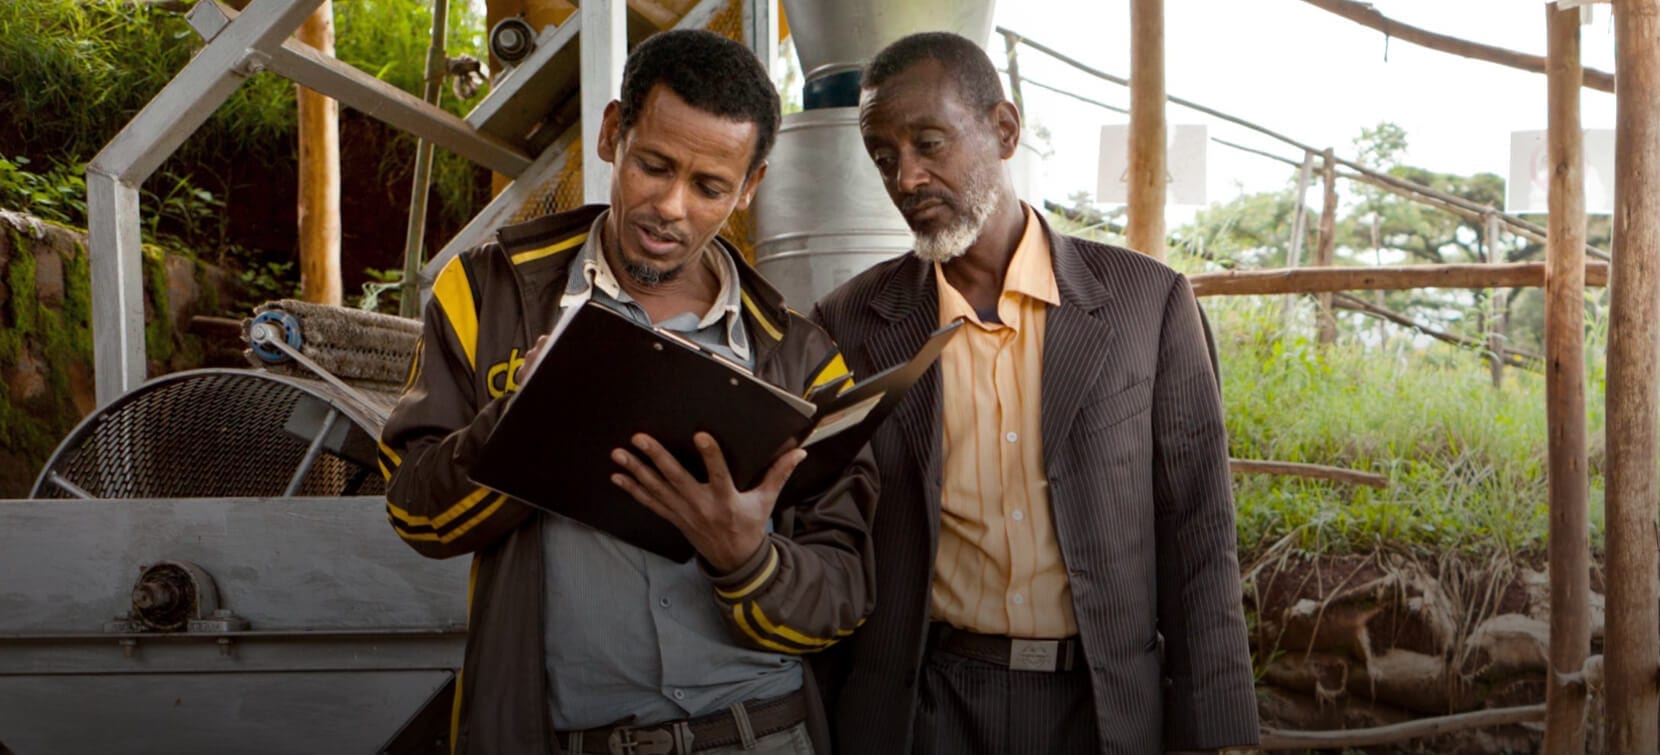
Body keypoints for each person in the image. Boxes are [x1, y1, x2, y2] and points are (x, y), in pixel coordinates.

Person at [380, 29, 876, 755]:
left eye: (710, 187)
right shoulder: (489, 294)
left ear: (750, 186)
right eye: (654, 165)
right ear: (613, 133)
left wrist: (748, 559)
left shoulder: (802, 355)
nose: (671, 207)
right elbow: (417, 517)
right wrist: (523, 424)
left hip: (762, 734)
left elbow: (844, 590)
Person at [810, 32, 1258, 754]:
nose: (908, 178)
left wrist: (1219, 732)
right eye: (885, 158)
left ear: (1005, 130)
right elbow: (830, 532)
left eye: (930, 143)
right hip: (923, 708)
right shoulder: (850, 323)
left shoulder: (1148, 303)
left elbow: (1199, 532)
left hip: (1105, 710)